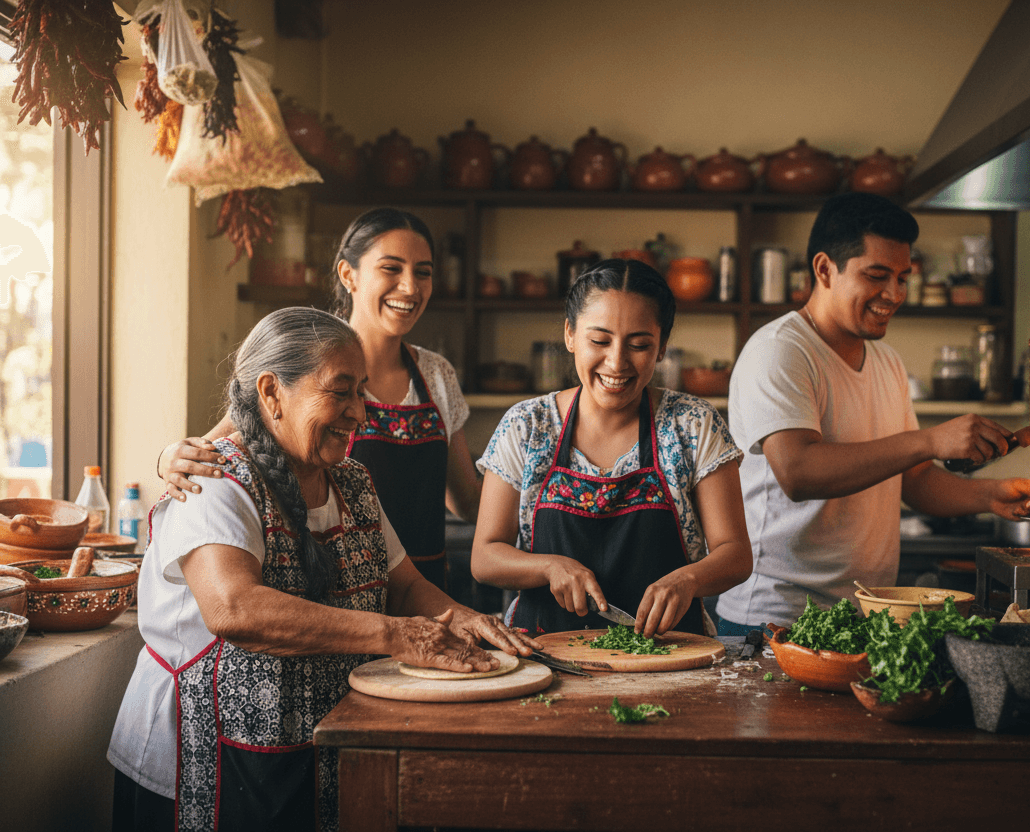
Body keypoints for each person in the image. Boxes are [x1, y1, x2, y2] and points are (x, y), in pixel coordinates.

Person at [109, 308, 537, 832]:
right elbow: (235, 609)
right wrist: (398, 637)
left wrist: (466, 619)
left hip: (311, 744)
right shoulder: (214, 480)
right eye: (340, 391)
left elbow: (403, 588)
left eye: (362, 391)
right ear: (271, 392)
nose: (358, 412)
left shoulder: (351, 480)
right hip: (205, 756)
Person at [715, 193, 1030, 634]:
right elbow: (798, 471)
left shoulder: (887, 363)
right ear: (825, 269)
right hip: (775, 617)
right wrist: (929, 440)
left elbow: (916, 481)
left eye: (903, 277)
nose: (895, 294)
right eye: (877, 276)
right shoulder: (779, 351)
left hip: (866, 614)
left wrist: (992, 496)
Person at [157, 208, 476, 588]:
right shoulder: (306, 362)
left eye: (423, 272)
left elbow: (466, 500)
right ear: (348, 274)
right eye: (391, 268)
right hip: (335, 589)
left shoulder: (437, 374)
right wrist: (167, 459)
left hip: (422, 590)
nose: (410, 287)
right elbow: (215, 449)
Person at [471, 259, 752, 637]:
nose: (616, 362)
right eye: (599, 341)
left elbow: (735, 554)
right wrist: (549, 567)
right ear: (570, 334)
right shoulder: (527, 425)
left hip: (669, 658)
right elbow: (485, 556)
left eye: (639, 345)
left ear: (662, 347)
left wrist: (687, 580)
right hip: (545, 660)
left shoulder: (693, 425)